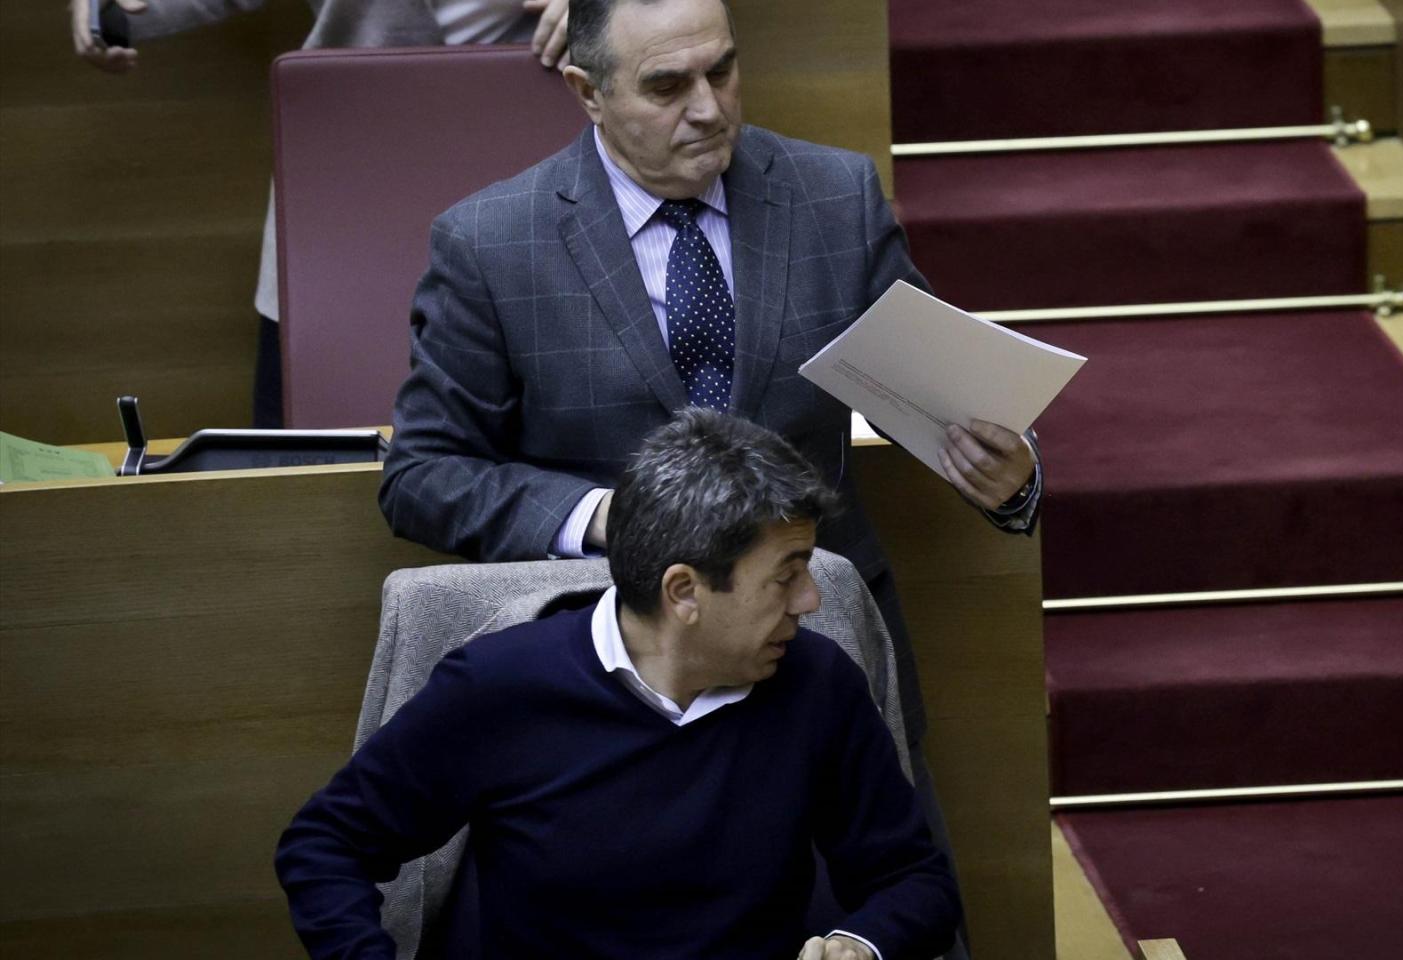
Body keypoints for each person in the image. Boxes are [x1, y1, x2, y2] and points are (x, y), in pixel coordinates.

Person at [380, 0, 1040, 780]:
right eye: (666, 86)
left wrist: (1009, 475)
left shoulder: (834, 197)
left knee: (889, 897)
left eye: (721, 71)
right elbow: (425, 474)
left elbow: (928, 393)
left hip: (818, 645)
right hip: (610, 668)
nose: (707, 109)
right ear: (588, 92)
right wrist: (606, 518)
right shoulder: (491, 244)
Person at [277, 408, 961, 960]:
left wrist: (860, 943)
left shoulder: (818, 687)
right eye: (787, 574)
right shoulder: (500, 686)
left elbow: (914, 879)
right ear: (683, 591)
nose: (812, 600)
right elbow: (325, 844)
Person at [67, 0, 577, 428]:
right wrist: (108, 12)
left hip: (532, 160)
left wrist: (611, 15)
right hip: (338, 179)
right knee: (302, 466)